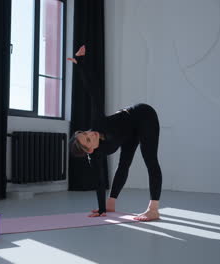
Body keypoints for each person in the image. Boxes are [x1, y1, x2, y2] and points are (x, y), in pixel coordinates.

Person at [68, 45, 162, 221]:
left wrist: (80, 63)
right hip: (128, 134)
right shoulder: (94, 157)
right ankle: (111, 204)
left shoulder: (98, 123)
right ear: (89, 150)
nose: (92, 134)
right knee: (123, 164)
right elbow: (99, 182)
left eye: (87, 133)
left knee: (150, 159)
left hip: (143, 115)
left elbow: (93, 93)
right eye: (88, 139)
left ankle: (154, 209)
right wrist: (102, 208)